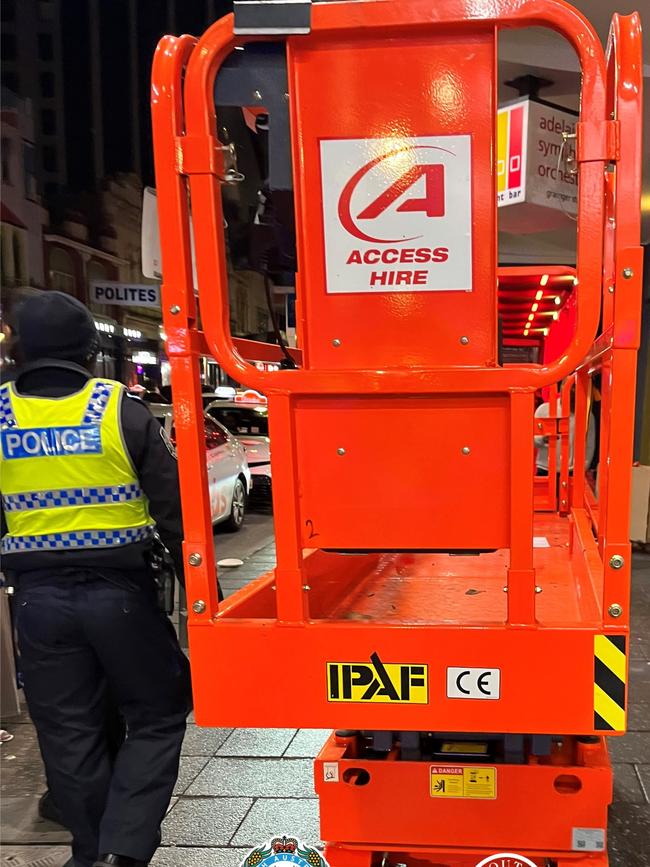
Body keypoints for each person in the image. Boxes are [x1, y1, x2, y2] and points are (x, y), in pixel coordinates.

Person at [0, 292, 192, 867]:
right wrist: (207, 600)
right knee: (157, 713)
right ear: (90, 351)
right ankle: (124, 849)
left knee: (67, 732)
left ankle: (91, 855)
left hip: (37, 604)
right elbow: (175, 512)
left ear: (17, 347)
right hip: (122, 598)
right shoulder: (120, 410)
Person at [534, 387, 596, 475]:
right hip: (545, 467)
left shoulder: (587, 416)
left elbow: (589, 446)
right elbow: (530, 439)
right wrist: (543, 439)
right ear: (562, 392)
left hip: (572, 471)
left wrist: (582, 469)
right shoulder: (544, 410)